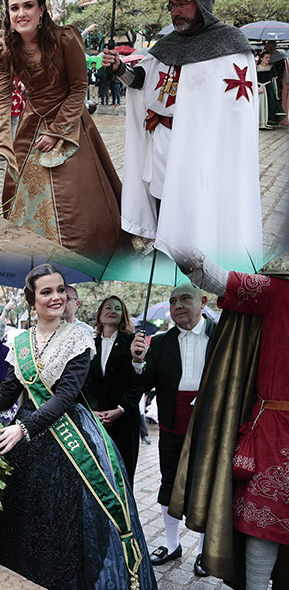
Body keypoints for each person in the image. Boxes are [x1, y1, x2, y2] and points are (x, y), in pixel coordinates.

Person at [0, 264, 157, 590]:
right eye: (47, 292)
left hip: (65, 438)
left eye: (61, 290)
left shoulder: (78, 336)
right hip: (25, 436)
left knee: (59, 525)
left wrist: (23, 429)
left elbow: (65, 397)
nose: (57, 297)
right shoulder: (20, 341)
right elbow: (7, 394)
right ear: (32, 300)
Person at [103, 0, 263, 270]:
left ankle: (199, 255)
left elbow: (234, 109)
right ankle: (168, 251)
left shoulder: (230, 45)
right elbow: (141, 80)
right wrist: (119, 69)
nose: (175, 11)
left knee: (196, 202)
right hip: (163, 141)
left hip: (203, 148)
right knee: (164, 199)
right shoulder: (167, 45)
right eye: (171, 5)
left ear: (202, 4)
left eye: (182, 3)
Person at [170, 250, 289, 590]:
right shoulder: (278, 290)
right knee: (262, 524)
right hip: (275, 432)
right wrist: (175, 232)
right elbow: (207, 274)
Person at [0, 0, 123, 260]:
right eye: (14, 8)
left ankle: (80, 252)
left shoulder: (65, 39)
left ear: (42, 9)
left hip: (69, 122)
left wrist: (57, 131)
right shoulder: (4, 49)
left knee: (75, 191)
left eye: (28, 6)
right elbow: (0, 98)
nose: (21, 14)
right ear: (8, 14)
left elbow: (79, 88)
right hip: (32, 122)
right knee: (21, 190)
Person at [130, 281, 217, 576]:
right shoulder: (161, 342)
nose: (177, 306)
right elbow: (143, 386)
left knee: (206, 486)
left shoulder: (221, 336)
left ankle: (206, 552)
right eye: (172, 301)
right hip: (171, 421)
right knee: (169, 482)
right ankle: (171, 544)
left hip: (211, 424)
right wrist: (138, 362)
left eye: (185, 299)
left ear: (203, 301)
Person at [86, 294, 141, 485]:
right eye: (108, 307)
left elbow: (139, 382)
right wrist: (91, 412)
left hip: (124, 420)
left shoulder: (133, 341)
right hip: (95, 420)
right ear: (100, 313)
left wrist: (120, 409)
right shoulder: (89, 344)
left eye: (117, 308)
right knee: (97, 476)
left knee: (123, 475)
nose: (112, 311)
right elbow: (83, 383)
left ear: (123, 315)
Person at [256, 40, 285, 129]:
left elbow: (274, 80)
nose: (268, 59)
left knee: (270, 105)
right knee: (259, 105)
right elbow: (253, 79)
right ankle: (259, 123)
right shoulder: (256, 68)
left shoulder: (271, 68)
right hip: (259, 87)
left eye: (269, 57)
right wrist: (256, 87)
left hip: (269, 88)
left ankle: (268, 123)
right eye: (266, 57)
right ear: (261, 58)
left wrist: (276, 93)